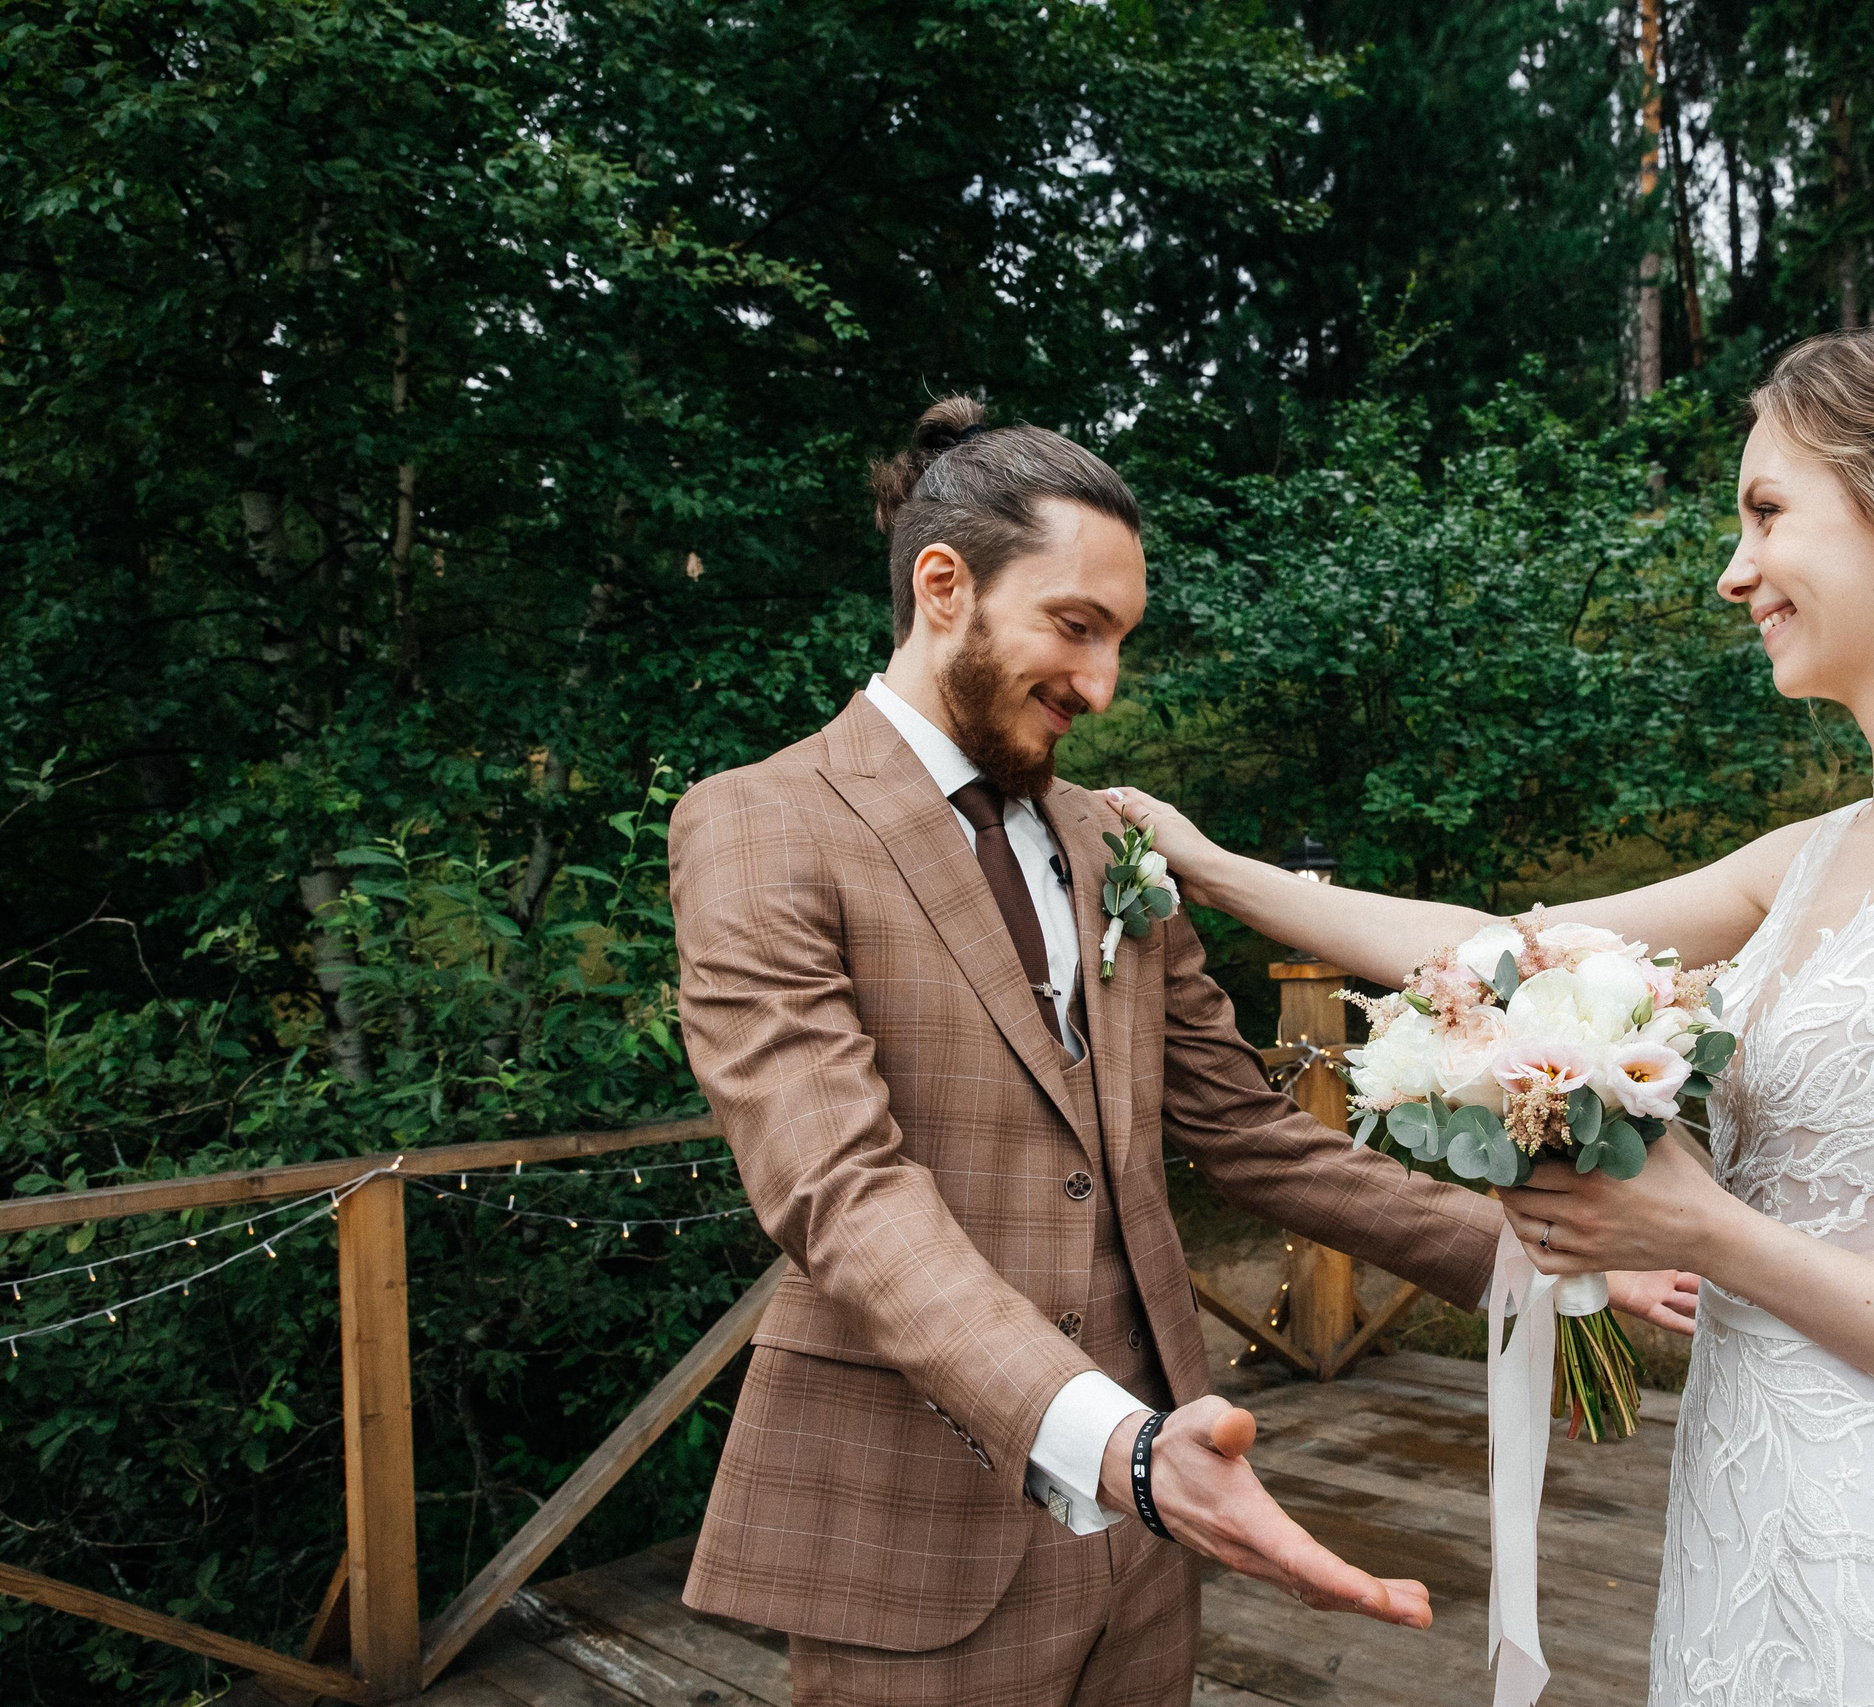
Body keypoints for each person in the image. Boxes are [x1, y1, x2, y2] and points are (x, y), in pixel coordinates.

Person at [1108, 323, 1874, 1706]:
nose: (1734, 570)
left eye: (1765, 511)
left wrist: (1713, 1236)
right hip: (1747, 1510)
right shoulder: (1821, 852)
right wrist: (1207, 864)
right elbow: (1503, 949)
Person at [668, 396, 1686, 1707]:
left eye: (1121, 642)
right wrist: (1118, 1446)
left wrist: (1533, 1263)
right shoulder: (760, 826)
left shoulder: (1111, 844)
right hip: (921, 1524)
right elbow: (839, 1190)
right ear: (942, 588)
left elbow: (1245, 1132)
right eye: (1076, 628)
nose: (1102, 686)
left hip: (1158, 1532)